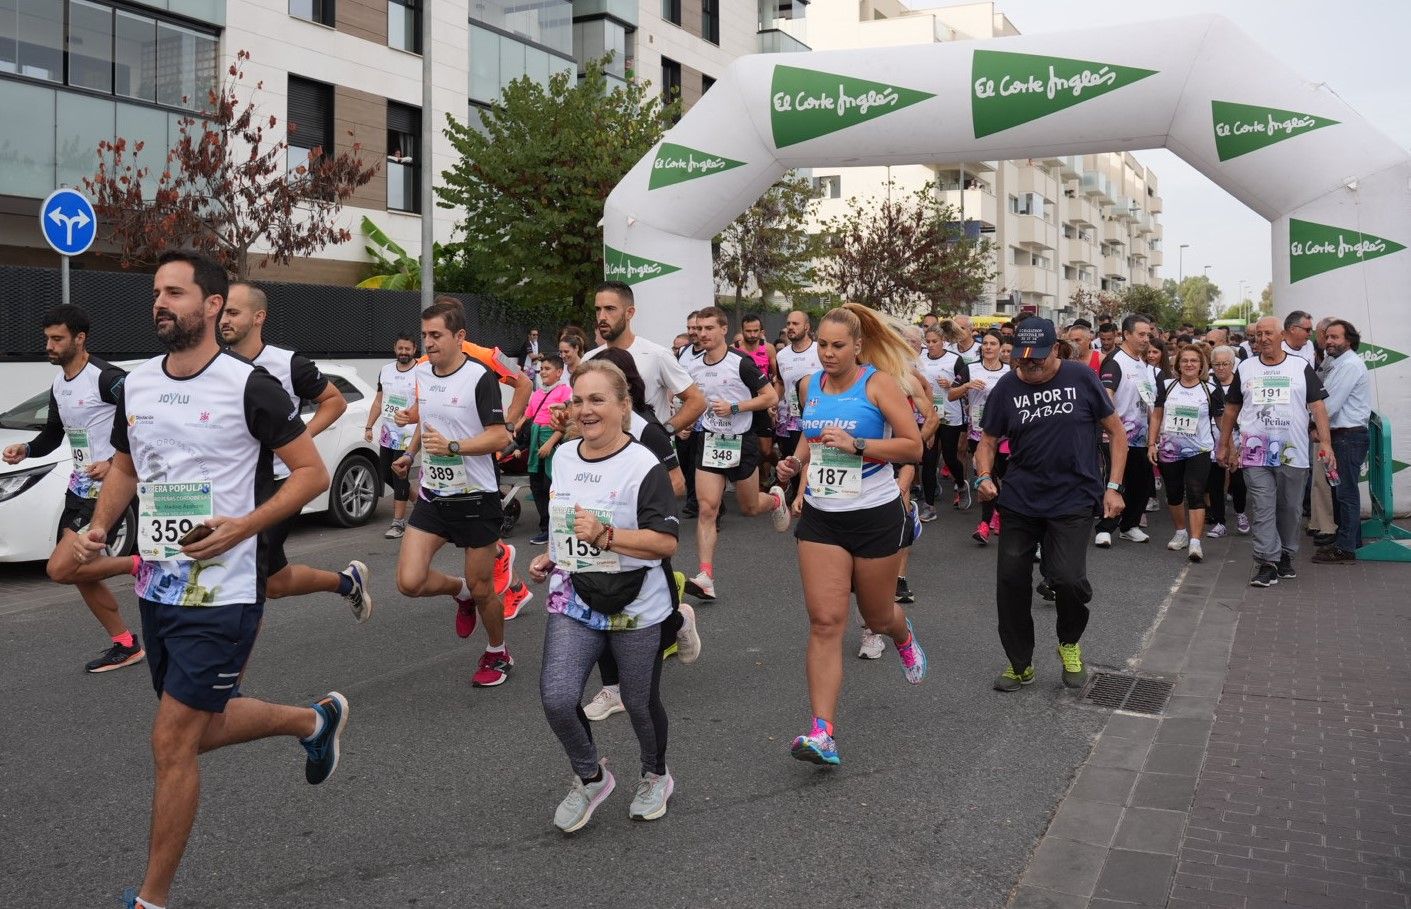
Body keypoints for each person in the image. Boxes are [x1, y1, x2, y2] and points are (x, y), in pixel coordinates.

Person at [73, 251, 345, 909]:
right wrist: (99, 528)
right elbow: (129, 468)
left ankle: (151, 899)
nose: (159, 302)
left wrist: (244, 527)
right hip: (158, 584)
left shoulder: (249, 385)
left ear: (213, 305)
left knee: (171, 739)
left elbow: (312, 474)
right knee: (198, 725)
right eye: (155, 292)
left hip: (224, 587)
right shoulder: (135, 384)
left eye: (174, 291)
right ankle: (314, 721)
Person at [528, 359, 681, 831]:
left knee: (637, 700)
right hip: (575, 595)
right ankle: (591, 776)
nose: (585, 410)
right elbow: (568, 520)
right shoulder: (565, 456)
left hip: (637, 603)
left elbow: (666, 542)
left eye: (597, 400)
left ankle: (656, 775)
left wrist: (607, 537)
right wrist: (553, 556)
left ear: (622, 406)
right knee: (557, 698)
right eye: (578, 400)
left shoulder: (644, 466)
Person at [774, 303, 927, 766]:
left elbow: (913, 447)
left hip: (874, 513)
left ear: (858, 346)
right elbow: (808, 434)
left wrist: (859, 444)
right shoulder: (808, 385)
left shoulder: (878, 383)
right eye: (821, 344)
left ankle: (900, 634)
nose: (827, 353)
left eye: (838, 345)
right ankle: (822, 733)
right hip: (823, 516)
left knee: (877, 616)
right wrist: (797, 462)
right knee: (825, 623)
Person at [974, 318, 1127, 693]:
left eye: (1036, 361)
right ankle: (1020, 663)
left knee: (1069, 579)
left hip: (1073, 497)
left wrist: (1114, 487)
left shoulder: (1081, 378)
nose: (1028, 368)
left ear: (1056, 350)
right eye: (1022, 362)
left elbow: (1117, 432)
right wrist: (983, 475)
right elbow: (988, 440)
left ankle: (1069, 641)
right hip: (1022, 499)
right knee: (1011, 581)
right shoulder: (1007, 388)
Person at [219, 283, 372, 623]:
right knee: (275, 581)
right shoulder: (213, 364)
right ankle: (347, 583)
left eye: (233, 312)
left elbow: (335, 401)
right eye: (222, 312)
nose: (223, 319)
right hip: (232, 483)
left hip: (279, 481)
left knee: (247, 571)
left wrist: (299, 436)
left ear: (258, 317)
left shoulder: (288, 363)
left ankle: (226, 661)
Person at [4, 305, 142, 673]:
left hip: (109, 490)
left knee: (61, 568)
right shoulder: (60, 384)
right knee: (85, 572)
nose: (48, 345)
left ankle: (142, 564)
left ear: (80, 339)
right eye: (47, 338)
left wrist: (115, 462)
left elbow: (145, 421)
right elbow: (53, 436)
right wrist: (27, 450)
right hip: (79, 487)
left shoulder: (106, 378)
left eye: (57, 338)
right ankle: (125, 643)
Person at [392, 301, 518, 685]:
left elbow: (501, 436)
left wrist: (454, 448)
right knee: (409, 582)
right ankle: (458, 591)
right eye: (424, 335)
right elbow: (430, 420)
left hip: (476, 498)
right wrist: (410, 453)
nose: (426, 343)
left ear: (459, 337)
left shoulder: (479, 377)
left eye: (436, 336)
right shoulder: (424, 374)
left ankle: (498, 652)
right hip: (434, 494)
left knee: (485, 590)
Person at [576, 346, 699, 721]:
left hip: (643, 540)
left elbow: (677, 485)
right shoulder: (584, 428)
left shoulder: (650, 431)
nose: (591, 403)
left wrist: (633, 495)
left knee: (656, 626)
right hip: (594, 546)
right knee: (600, 613)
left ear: (624, 388)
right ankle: (612, 689)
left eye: (602, 392)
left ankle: (679, 620)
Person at [680, 306, 790, 599]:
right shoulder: (692, 364)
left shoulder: (740, 362)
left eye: (708, 328)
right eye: (698, 328)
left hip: (741, 440)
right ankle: (705, 575)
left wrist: (735, 407)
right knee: (707, 508)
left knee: (750, 507)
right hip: (710, 440)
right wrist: (688, 423)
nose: (701, 334)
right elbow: (694, 401)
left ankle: (775, 498)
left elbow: (769, 396)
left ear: (723, 330)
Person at [1217, 316, 1335, 588]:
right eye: (1258, 334)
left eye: (1268, 333)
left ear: (1282, 335)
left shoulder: (1300, 367)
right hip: (1255, 454)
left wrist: (1326, 443)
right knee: (1263, 505)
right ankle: (1266, 562)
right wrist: (1224, 444)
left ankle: (1285, 554)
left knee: (1290, 509)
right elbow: (1232, 409)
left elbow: (1318, 407)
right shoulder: (1245, 368)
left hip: (1293, 454)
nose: (1263, 338)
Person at [1149, 344, 1224, 563]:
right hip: (1170, 450)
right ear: (1177, 365)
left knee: (1195, 491)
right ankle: (1181, 532)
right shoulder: (1167, 386)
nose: (1189, 364)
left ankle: (1195, 542)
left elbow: (1220, 420)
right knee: (1173, 492)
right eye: (1185, 361)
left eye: (1194, 361)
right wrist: (1152, 443)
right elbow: (1156, 415)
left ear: (1201, 365)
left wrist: (1227, 444)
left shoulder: (1210, 389)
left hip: (1199, 449)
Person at [1095, 314, 1159, 547]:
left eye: (1148, 335)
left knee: (1141, 484)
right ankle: (1105, 527)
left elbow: (1149, 400)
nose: (1145, 339)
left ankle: (1129, 525)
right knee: (1116, 482)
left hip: (1142, 438)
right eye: (1141, 335)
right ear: (1127, 335)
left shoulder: (1142, 363)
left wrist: (1154, 435)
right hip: (1117, 437)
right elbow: (1106, 397)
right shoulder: (1115, 361)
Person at [1311, 319, 1371, 564]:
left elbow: (1330, 405)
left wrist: (1311, 424)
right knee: (1341, 491)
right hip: (1341, 437)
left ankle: (1345, 547)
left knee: (1345, 493)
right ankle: (1349, 541)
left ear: (1349, 340)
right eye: (1327, 337)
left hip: (1348, 437)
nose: (1329, 342)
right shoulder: (1337, 362)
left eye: (1336, 337)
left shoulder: (1350, 365)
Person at [364, 334, 419, 539]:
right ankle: (418, 501)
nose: (403, 353)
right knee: (387, 474)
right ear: (395, 348)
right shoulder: (385, 371)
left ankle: (398, 522)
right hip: (388, 433)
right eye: (400, 348)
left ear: (414, 349)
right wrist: (369, 426)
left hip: (408, 434)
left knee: (398, 473)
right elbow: (379, 401)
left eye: (408, 349)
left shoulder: (421, 372)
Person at [958, 331, 1010, 544]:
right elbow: (952, 394)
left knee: (1003, 475)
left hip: (1004, 435)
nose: (988, 347)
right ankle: (984, 525)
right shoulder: (970, 369)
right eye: (985, 344)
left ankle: (997, 513)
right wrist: (966, 386)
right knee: (986, 476)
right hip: (978, 432)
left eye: (993, 344)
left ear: (1000, 347)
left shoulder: (1009, 372)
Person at [918, 325, 971, 520]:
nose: (930, 345)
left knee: (949, 457)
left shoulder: (954, 359)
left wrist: (950, 385)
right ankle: (929, 506)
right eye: (928, 341)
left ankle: (960, 483)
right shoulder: (920, 360)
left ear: (943, 342)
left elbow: (963, 386)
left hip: (951, 415)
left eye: (934, 341)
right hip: (929, 415)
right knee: (929, 460)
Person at [526, 355, 573, 546]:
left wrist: (550, 444)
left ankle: (557, 528)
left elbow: (566, 423)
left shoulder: (565, 392)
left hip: (554, 442)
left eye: (547, 368)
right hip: (535, 441)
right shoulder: (537, 393)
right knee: (536, 486)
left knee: (551, 487)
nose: (543, 372)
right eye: (541, 369)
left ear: (559, 372)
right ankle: (545, 528)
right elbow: (528, 415)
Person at [1205, 345, 1248, 537]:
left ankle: (1241, 513)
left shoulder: (1242, 384)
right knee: (1215, 481)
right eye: (1217, 364)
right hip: (1213, 439)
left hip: (1240, 440)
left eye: (1225, 364)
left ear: (1233, 364)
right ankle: (1219, 520)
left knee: (1238, 481)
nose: (1221, 368)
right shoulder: (1208, 385)